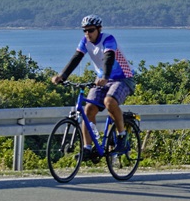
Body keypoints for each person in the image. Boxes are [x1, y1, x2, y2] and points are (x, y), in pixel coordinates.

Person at [52, 15, 135, 159]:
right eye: (85, 31)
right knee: (88, 109)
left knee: (109, 102)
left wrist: (105, 77)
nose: (87, 34)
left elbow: (109, 58)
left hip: (123, 78)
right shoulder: (85, 41)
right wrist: (62, 76)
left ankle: (122, 136)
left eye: (90, 30)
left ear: (99, 29)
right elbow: (76, 58)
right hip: (102, 79)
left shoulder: (108, 39)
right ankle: (88, 148)